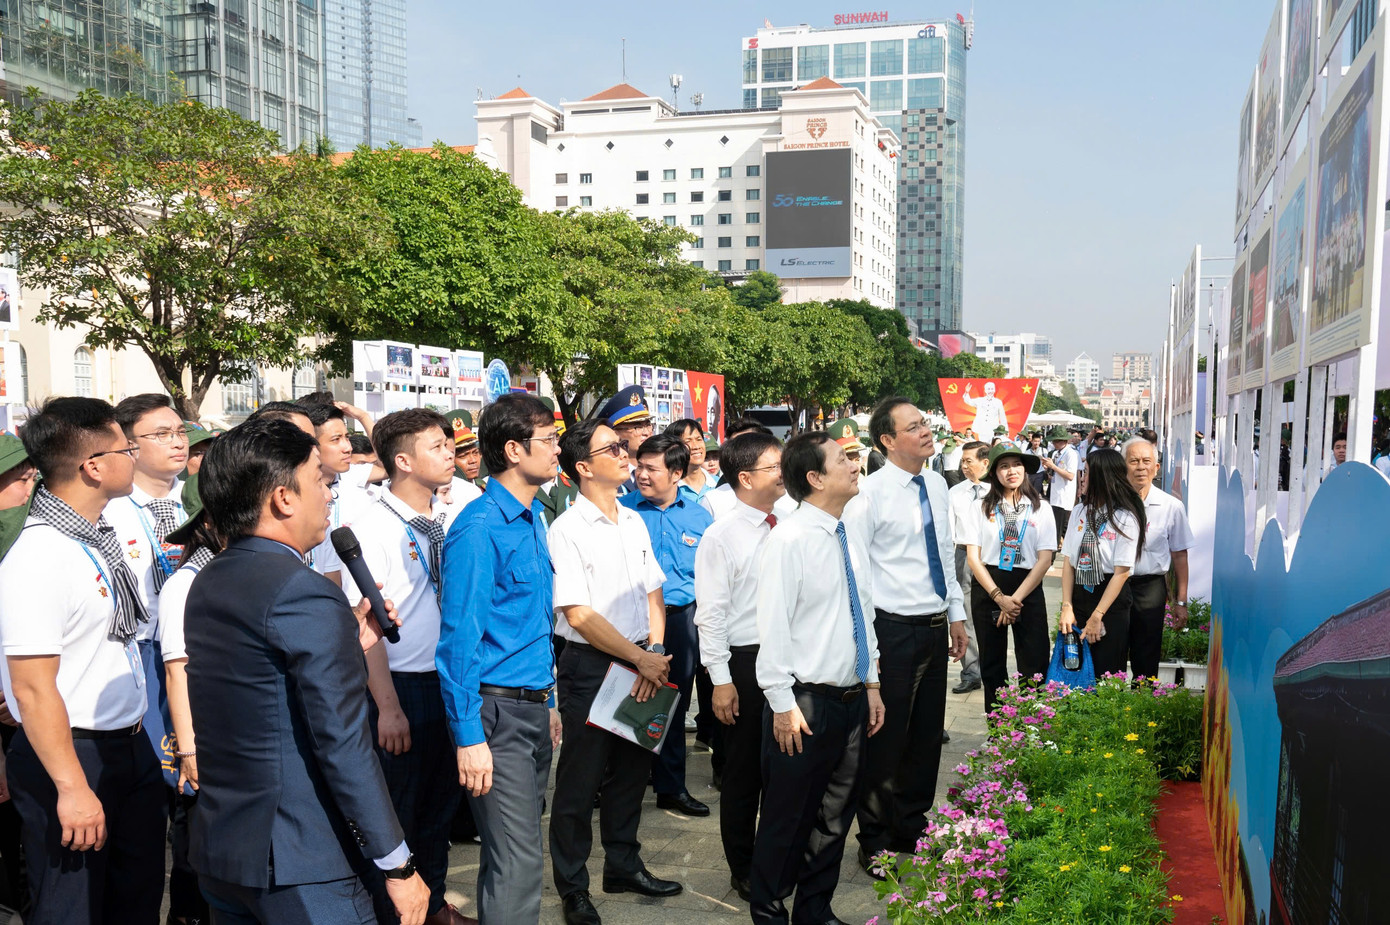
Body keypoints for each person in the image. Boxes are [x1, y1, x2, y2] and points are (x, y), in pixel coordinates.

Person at [185, 417, 430, 925]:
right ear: (283, 498)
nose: (329, 492)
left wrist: (347, 637)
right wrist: (397, 863)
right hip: (302, 861)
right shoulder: (301, 590)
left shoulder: (209, 580)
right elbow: (341, 740)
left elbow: (263, 691)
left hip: (227, 852)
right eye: (320, 479)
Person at [0, 397, 166, 923]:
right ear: (93, 465)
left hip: (128, 743)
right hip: (73, 755)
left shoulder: (96, 538)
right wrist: (71, 787)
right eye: (128, 447)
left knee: (133, 900)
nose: (134, 457)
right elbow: (31, 688)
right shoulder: (41, 555)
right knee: (72, 909)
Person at [547, 418, 682, 925]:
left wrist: (656, 648)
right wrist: (638, 655)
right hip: (592, 664)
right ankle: (573, 885)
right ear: (583, 467)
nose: (626, 453)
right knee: (581, 782)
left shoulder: (633, 519)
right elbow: (578, 614)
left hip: (644, 658)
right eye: (612, 448)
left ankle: (623, 864)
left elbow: (653, 592)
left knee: (631, 771)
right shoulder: (566, 529)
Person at [750, 431, 885, 925]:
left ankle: (814, 910)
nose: (855, 466)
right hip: (803, 704)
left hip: (850, 698)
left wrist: (871, 684)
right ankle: (767, 911)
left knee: (835, 817)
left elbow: (862, 611)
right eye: (843, 460)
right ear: (814, 477)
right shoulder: (789, 539)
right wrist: (782, 704)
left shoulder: (845, 531)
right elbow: (773, 627)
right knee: (787, 818)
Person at [346, 409, 475, 925]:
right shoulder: (372, 524)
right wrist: (388, 706)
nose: (450, 453)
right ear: (402, 460)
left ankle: (437, 902)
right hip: (401, 683)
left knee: (441, 806)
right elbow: (366, 628)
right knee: (399, 812)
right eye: (437, 445)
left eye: (449, 444)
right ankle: (396, 913)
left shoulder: (450, 516)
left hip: (447, 681)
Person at [438, 394, 563, 925]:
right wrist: (469, 737)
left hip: (531, 709)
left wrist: (550, 699)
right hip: (495, 715)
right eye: (549, 440)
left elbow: (533, 624)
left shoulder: (531, 516)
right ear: (513, 450)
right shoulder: (480, 525)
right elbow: (458, 642)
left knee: (509, 856)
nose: (558, 449)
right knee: (519, 863)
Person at [843, 397, 965, 877]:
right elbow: (857, 574)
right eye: (914, 427)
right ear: (887, 441)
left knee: (925, 737)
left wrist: (956, 615)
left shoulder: (936, 483)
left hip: (935, 627)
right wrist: (867, 651)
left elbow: (945, 552)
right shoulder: (867, 495)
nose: (927, 431)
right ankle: (873, 839)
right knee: (885, 739)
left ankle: (911, 827)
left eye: (926, 423)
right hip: (891, 630)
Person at [693, 431, 783, 903]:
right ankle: (742, 866)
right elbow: (709, 614)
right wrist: (721, 681)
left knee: (787, 768)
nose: (784, 471)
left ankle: (778, 856)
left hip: (788, 658)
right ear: (745, 478)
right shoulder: (721, 535)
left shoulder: (789, 520)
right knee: (745, 772)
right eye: (774, 466)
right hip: (745, 661)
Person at [621, 433, 713, 817]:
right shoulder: (622, 510)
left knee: (671, 702)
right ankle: (618, 785)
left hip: (679, 620)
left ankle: (671, 786)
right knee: (625, 703)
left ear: (676, 472)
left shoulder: (699, 516)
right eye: (639, 465)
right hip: (629, 623)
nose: (641, 474)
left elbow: (708, 575)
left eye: (651, 468)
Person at [156, 474, 221, 924]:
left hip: (232, 735)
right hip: (201, 739)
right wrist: (188, 749)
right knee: (194, 858)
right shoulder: (185, 583)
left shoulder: (229, 571)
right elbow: (177, 672)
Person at [964, 445, 1057, 713]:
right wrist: (998, 597)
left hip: (1027, 588)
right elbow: (973, 557)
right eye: (1003, 466)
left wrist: (1013, 600)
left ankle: (1031, 728)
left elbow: (1045, 559)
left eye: (1016, 464)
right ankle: (1000, 732)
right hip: (988, 586)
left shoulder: (1041, 508)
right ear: (993, 473)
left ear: (1025, 469)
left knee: (1034, 659)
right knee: (992, 664)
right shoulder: (980, 508)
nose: (1011, 471)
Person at [1058, 448, 1146, 678]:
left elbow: (1121, 573)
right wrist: (1067, 606)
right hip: (1079, 594)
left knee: (1105, 671)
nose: (1082, 478)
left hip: (1109, 599)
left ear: (1101, 476)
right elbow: (1068, 562)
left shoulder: (1125, 518)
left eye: (1086, 472)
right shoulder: (1079, 511)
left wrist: (1097, 616)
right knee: (1074, 670)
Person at [1122, 437, 1195, 681]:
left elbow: (1180, 555)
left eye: (1146, 461)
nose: (1140, 467)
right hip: (1114, 585)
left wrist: (1180, 601)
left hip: (1150, 587)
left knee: (1146, 655)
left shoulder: (1171, 506)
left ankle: (1142, 707)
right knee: (1111, 652)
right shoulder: (1113, 503)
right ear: (1123, 466)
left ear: (1157, 468)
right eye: (1133, 461)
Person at [297, 399, 371, 584]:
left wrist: (363, 417)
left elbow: (389, 465)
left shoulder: (352, 475)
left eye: (347, 437)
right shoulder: (294, 494)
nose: (348, 447)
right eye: (336, 440)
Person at [947, 441, 990, 696]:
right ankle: (971, 672)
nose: (963, 466)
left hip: (993, 557)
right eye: (962, 461)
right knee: (966, 614)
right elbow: (950, 533)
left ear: (985, 462)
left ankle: (993, 669)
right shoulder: (956, 493)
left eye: (968, 461)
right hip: (964, 556)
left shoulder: (998, 490)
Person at [594, 385, 655, 494]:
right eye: (637, 427)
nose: (646, 432)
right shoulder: (606, 476)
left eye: (648, 425)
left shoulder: (660, 470)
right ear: (615, 433)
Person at [1040, 426, 1079, 547]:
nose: (1054, 443)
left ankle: (1056, 550)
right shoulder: (1056, 453)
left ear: (1064, 441)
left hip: (1064, 496)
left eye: (1056, 441)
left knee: (1060, 526)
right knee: (1057, 525)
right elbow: (1055, 474)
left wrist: (1053, 467)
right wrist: (1048, 469)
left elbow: (1070, 475)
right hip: (1055, 493)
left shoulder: (1071, 454)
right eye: (1053, 441)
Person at [667, 419, 715, 503]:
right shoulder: (668, 489)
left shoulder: (718, 484)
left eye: (699, 439)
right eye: (688, 441)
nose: (696, 446)